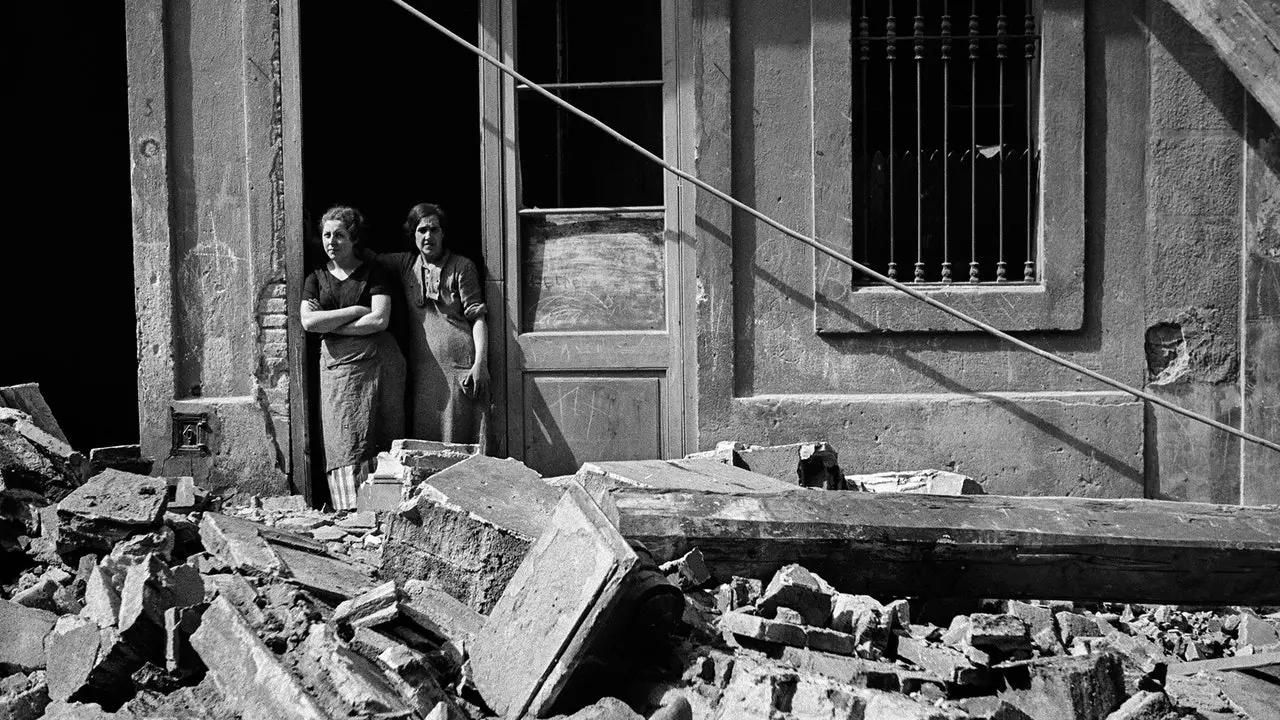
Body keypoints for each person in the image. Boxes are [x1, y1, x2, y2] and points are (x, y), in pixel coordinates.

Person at [300, 206, 406, 510]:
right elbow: (308, 322)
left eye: (339, 235)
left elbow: (379, 321)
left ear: (354, 237)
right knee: (344, 437)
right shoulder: (316, 278)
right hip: (336, 372)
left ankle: (383, 511)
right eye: (326, 235)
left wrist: (332, 325)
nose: (331, 241)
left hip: (378, 368)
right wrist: (355, 312)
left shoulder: (374, 273)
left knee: (380, 435)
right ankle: (351, 512)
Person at [377, 203, 488, 444]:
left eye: (434, 229)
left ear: (443, 233)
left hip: (460, 367)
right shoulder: (407, 265)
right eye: (422, 230)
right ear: (413, 235)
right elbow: (366, 258)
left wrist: (480, 363)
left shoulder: (462, 266)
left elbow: (477, 317)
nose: (428, 236)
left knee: (459, 439)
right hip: (425, 371)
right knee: (427, 438)